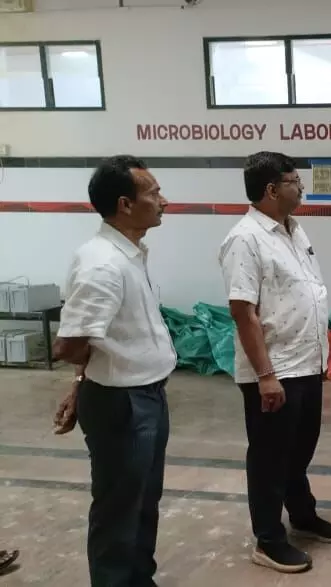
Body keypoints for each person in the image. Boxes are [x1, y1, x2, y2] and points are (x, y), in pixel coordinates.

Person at [50, 155, 177, 587]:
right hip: (123, 403)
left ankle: (139, 579)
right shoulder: (103, 264)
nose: (164, 201)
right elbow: (70, 343)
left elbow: (101, 337)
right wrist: (84, 384)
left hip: (145, 395)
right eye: (154, 193)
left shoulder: (128, 253)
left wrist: (79, 384)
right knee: (119, 509)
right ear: (125, 204)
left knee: (142, 501)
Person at [217, 152, 331, 574]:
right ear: (271, 189)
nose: (302, 187)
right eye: (294, 181)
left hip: (306, 362)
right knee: (270, 457)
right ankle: (268, 539)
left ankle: (302, 515)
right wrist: (266, 376)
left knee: (300, 449)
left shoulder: (292, 228)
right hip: (275, 370)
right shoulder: (245, 239)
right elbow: (243, 311)